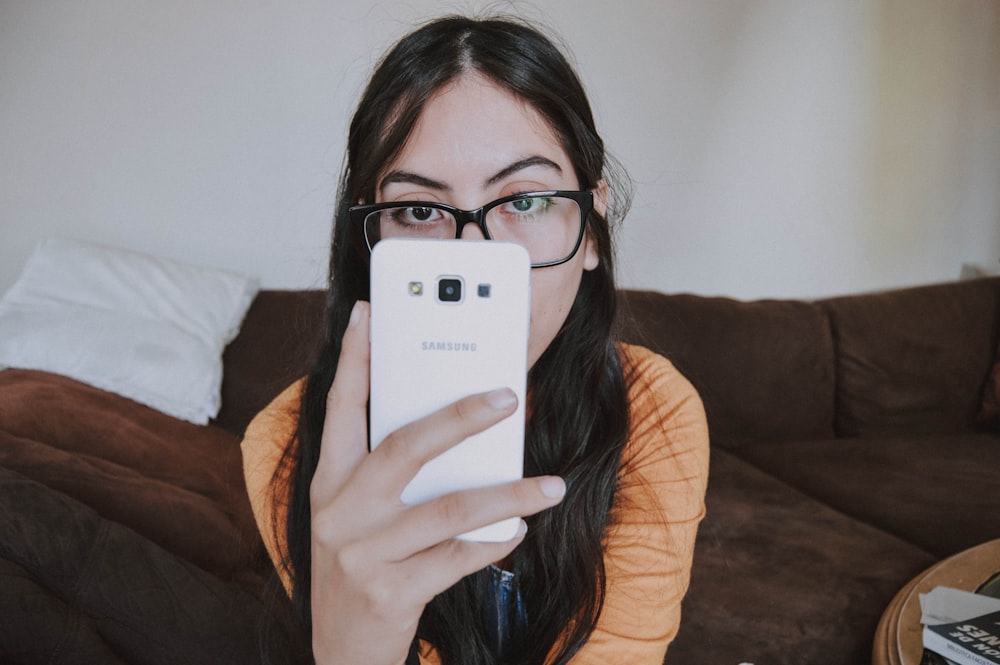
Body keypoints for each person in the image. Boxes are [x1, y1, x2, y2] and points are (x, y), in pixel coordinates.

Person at [241, 14, 709, 665]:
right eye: (420, 209)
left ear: (593, 230)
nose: (475, 257)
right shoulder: (286, 443)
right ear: (368, 240)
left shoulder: (653, 407)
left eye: (525, 201)